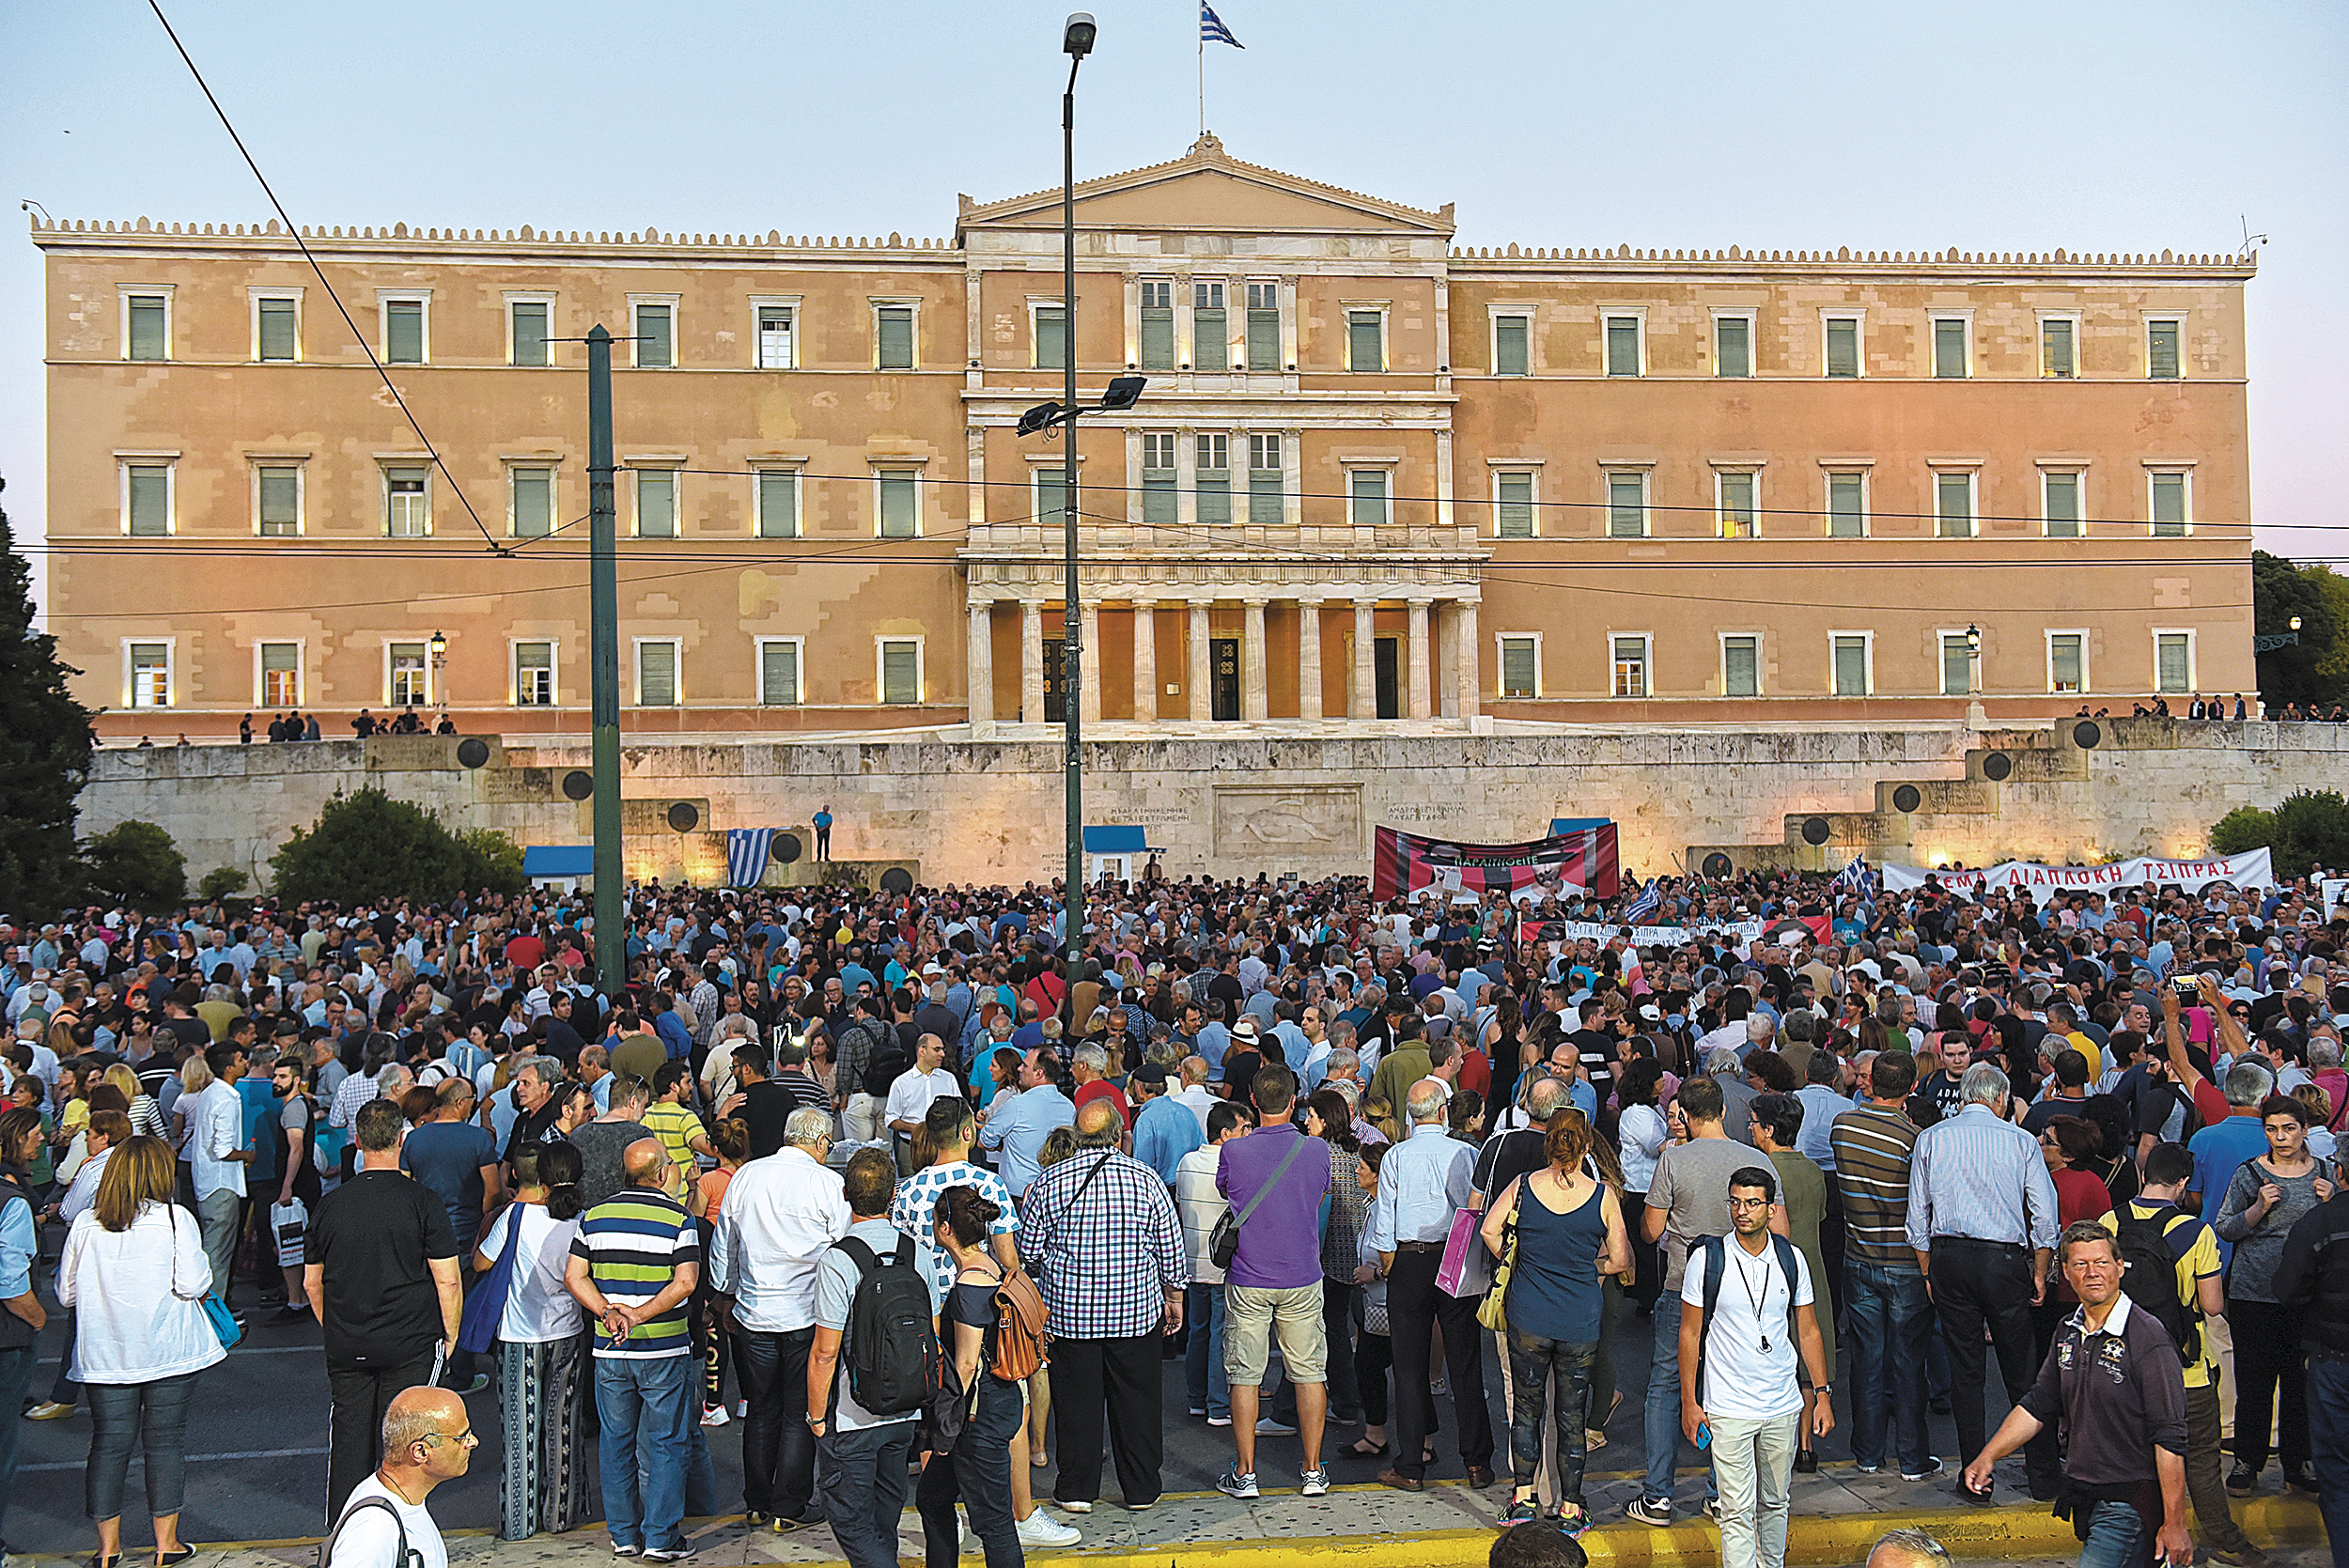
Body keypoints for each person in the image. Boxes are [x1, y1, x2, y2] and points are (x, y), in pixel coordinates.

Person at [1962, 1222, 2193, 1568]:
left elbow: (2170, 1436)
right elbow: (2038, 1404)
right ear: (2067, 1273)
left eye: (2101, 1263)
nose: (2092, 1273)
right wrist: (1988, 1456)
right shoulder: (2067, 1331)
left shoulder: (2148, 1337)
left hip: (2128, 1504)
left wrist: (2175, 1523)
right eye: (2081, 1264)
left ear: (2120, 1267)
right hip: (2086, 1498)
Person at [58, 1135, 225, 1568]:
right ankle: (166, 1545)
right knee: (165, 1443)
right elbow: (192, 1284)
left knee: (109, 1444)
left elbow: (66, 1293)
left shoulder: (86, 1223)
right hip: (169, 1350)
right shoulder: (175, 1218)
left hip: (106, 1353)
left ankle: (107, 1550)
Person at [1017, 1098, 1187, 1513]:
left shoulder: (1048, 1182)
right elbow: (1170, 1246)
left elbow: (1029, 1252)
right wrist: (1174, 1296)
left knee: (1076, 1406)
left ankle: (1077, 1489)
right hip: (1135, 1313)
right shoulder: (1145, 1179)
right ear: (1116, 1136)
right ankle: (1141, 1488)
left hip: (1070, 1317)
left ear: (1078, 1136)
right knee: (1139, 1404)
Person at [2096, 1141, 2262, 1567]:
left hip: (2121, 1366)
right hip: (2184, 1370)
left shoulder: (2109, 1222)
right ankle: (2226, 1543)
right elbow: (2212, 1305)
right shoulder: (2196, 1232)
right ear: (2183, 1183)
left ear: (2144, 1174)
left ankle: (2141, 1544)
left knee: (2135, 1462)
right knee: (2202, 1461)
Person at [1906, 1062, 2060, 1504]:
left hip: (1949, 1258)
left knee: (1965, 1371)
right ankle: (2044, 1475)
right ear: (2001, 1099)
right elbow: (2044, 1217)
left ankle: (1975, 1476)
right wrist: (2039, 1271)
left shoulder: (1932, 1138)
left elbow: (1917, 1219)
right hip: (2002, 1260)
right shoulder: (2020, 1141)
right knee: (2022, 1370)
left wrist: (1928, 1270)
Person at [306, 1097, 464, 1522]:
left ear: (357, 1142)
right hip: (411, 1341)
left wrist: (334, 1326)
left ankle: (345, 1532)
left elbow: (311, 1283)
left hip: (348, 1343)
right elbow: (447, 1279)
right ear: (401, 1139)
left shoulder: (330, 1205)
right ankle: (399, 1529)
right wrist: (450, 1336)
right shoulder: (423, 1201)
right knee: (407, 1446)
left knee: (349, 1441)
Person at [1480, 1106, 1628, 1532]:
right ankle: (1571, 1507)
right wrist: (1591, 1269)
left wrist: (1517, 1259)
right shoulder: (1603, 1196)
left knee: (1526, 1410)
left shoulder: (1524, 1186)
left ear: (1548, 1144)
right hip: (1579, 1318)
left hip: (1529, 1314)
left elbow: (1489, 1229)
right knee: (1571, 1416)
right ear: (1586, 1146)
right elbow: (1620, 1259)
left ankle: (1523, 1499)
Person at [1679, 1166, 1834, 1568]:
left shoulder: (1791, 1258)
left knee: (1776, 1502)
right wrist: (1690, 1403)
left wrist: (1822, 1394)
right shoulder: (1708, 1259)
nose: (1742, 1211)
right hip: (1728, 1406)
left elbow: (1809, 1330)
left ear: (1771, 1208)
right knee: (1735, 1510)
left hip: (1782, 1403)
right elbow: (1689, 1334)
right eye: (1735, 1202)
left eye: (1752, 1203)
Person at [710, 1106, 847, 1529]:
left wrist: (725, 1295)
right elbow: (843, 1248)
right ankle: (790, 1506)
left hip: (754, 1314)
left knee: (760, 1410)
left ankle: (756, 1501)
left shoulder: (746, 1176)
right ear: (821, 1142)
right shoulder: (828, 1183)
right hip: (807, 1315)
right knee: (798, 1413)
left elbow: (725, 1243)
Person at [565, 1137, 701, 1560]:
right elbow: (686, 1282)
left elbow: (574, 1276)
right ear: (660, 1173)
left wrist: (608, 1312)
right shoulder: (679, 1218)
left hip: (610, 1350)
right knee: (667, 1443)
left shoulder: (594, 1217)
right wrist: (639, 1315)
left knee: (616, 1443)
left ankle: (623, 1534)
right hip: (664, 1350)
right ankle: (660, 1537)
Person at [1628, 1075, 1747, 1526]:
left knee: (1666, 1385)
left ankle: (1658, 1496)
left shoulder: (1674, 1161)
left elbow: (1651, 1230)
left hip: (1682, 1286)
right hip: (1739, 1292)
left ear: (1689, 1116)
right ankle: (1720, 1493)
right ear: (1722, 1111)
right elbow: (1780, 1233)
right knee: (1728, 1389)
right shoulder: (1755, 1161)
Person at [1214, 1066, 1333, 1502]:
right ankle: (1313, 1470)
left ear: (1252, 1099)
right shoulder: (1316, 1149)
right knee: (1309, 1372)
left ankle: (1245, 1473)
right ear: (1294, 1099)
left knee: (1245, 1374)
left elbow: (1226, 1191)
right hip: (1302, 1273)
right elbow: (1319, 1193)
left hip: (1249, 1276)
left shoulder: (1235, 1151)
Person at [1370, 1079, 1493, 1494]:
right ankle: (1477, 1463)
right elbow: (1475, 1210)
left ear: (1411, 1114)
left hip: (1409, 1257)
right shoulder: (1465, 1153)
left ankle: (1410, 1465)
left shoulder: (1396, 1155)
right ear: (1442, 1112)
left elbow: (1385, 1219)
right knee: (1465, 1362)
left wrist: (1389, 1264)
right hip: (1454, 1254)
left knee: (1409, 1367)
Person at [807, 1149, 922, 1568]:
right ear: (893, 1195)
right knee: (884, 1520)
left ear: (845, 1193)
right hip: (905, 1410)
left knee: (851, 1519)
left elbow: (825, 1352)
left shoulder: (838, 1260)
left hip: (852, 1415)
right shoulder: (915, 1253)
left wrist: (816, 1417)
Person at [2213, 1093, 2331, 1497]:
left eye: (2289, 1129)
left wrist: (2331, 1202)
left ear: (2304, 1130)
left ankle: (2299, 1462)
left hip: (2308, 1296)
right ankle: (2248, 1460)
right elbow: (2225, 1227)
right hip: (2254, 1294)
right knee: (2254, 1382)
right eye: (2272, 1129)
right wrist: (2258, 1208)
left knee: (2300, 1383)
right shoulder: (2250, 1174)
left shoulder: (2325, 1173)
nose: (2281, 1137)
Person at [1829, 1048, 1938, 1481]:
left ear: (1871, 1081)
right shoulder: (1915, 1139)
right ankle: (1912, 1458)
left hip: (1859, 1258)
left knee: (1866, 1360)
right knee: (1908, 1363)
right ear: (1913, 1087)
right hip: (1906, 1263)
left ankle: (1868, 1452)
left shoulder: (1843, 1127)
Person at [474, 1141, 589, 1541]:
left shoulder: (515, 1216)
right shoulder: (584, 1220)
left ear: (540, 1179)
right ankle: (560, 1514)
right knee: (563, 1428)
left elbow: (481, 1262)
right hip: (567, 1332)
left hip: (518, 1335)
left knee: (519, 1433)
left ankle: (518, 1522)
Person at [916, 1185, 1026, 1568]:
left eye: (934, 1220)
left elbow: (966, 1365)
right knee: (932, 1498)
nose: (932, 1226)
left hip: (977, 1419)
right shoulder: (992, 1267)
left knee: (994, 1524)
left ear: (946, 1229)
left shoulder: (968, 1286)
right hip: (998, 1403)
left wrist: (944, 1427)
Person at [1750, 1093, 1836, 1474]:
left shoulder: (1762, 1170)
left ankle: (1776, 1446)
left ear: (1769, 1129)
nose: (1750, 1128)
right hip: (1812, 1269)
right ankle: (1805, 1445)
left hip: (1775, 1272)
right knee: (1808, 1358)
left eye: (1754, 1122)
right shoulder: (1814, 1171)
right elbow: (1819, 1218)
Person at [2272, 1161, 2349, 1560]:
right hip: (2331, 1360)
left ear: (2340, 1172)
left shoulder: (2319, 1224)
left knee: (2336, 1473)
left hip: (2333, 1362)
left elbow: (2288, 1289)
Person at [320, 1386, 476, 1568]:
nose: (473, 1442)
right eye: (461, 1437)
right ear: (421, 1451)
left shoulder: (405, 1500)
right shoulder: (375, 1529)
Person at [1177, 1102, 1244, 1432]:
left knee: (1198, 1331)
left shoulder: (1186, 1162)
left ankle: (1196, 1398)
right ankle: (1218, 1405)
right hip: (1222, 1263)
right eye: (1244, 1129)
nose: (1248, 1135)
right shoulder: (1234, 1165)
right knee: (1221, 1334)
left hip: (1191, 1261)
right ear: (1226, 1133)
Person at [0, 1107, 47, 1547]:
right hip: (7, 1338)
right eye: (35, 1133)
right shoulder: (11, 1202)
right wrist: (38, 1317)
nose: (42, 1139)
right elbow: (10, 1282)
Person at [192, 1042, 252, 1320]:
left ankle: (210, 1306)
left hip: (207, 1182)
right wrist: (248, 1155)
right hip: (221, 1184)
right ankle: (211, 1313)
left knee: (213, 1248)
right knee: (218, 1252)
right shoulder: (226, 1098)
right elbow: (223, 1150)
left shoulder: (209, 1093)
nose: (245, 1062)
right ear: (229, 1067)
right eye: (240, 1059)